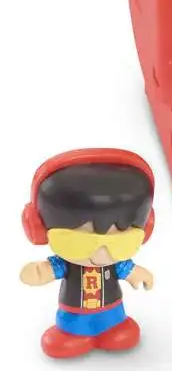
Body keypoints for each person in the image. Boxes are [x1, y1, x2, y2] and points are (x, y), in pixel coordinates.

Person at [19, 149, 156, 359]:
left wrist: (139, 274)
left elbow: (127, 269)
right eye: (81, 240)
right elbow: (50, 269)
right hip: (75, 314)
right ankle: (73, 334)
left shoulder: (116, 264)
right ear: (38, 229)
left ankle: (113, 328)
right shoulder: (66, 264)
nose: (101, 251)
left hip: (112, 311)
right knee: (69, 337)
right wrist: (39, 272)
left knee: (119, 330)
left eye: (119, 240)